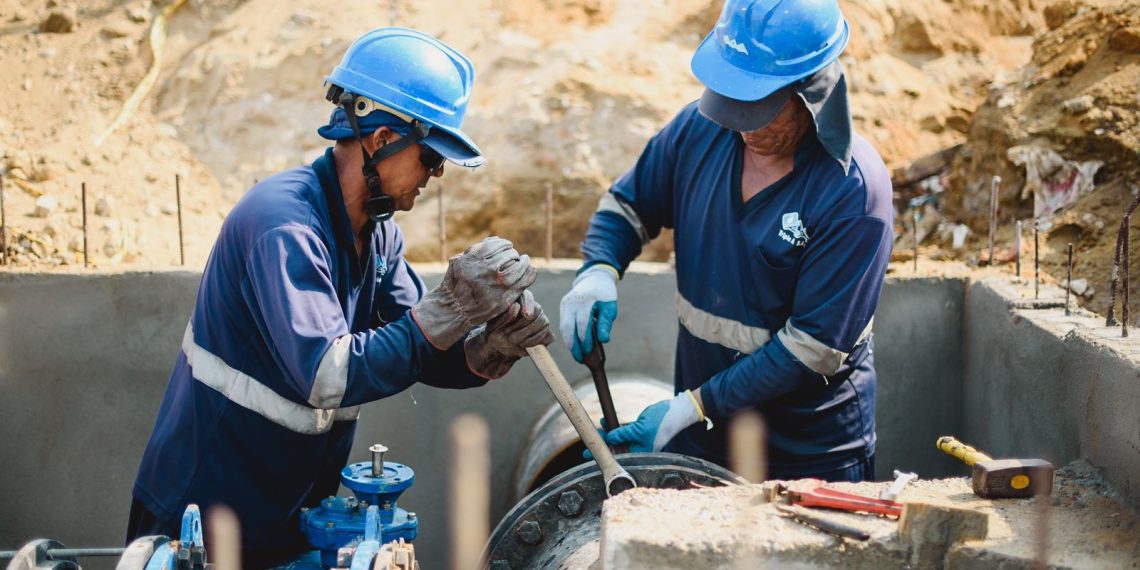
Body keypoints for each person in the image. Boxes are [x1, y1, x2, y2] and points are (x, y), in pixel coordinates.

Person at [127, 27, 553, 566]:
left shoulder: (376, 234)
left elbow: (419, 346)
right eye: (429, 156)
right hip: (202, 525)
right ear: (380, 140)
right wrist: (448, 304)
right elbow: (326, 375)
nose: (437, 172)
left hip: (288, 520)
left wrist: (488, 349)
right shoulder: (285, 225)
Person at [560, 0, 893, 482]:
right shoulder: (700, 132)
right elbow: (628, 205)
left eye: (760, 108)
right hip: (705, 443)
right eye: (733, 101)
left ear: (811, 94)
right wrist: (599, 270)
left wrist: (693, 406)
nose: (743, 124)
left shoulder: (852, 191)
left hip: (808, 460)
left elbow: (812, 348)